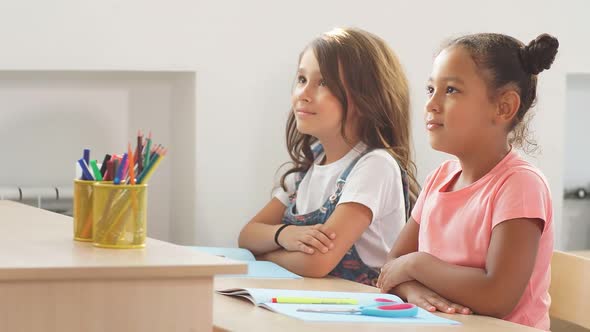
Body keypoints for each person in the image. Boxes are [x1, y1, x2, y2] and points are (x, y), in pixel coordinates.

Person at [377, 33, 558, 330]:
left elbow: (497, 296)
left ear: (503, 107)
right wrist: (412, 290)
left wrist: (416, 265)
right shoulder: (440, 178)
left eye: (450, 90)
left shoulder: (520, 184)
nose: (431, 104)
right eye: (430, 89)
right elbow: (390, 268)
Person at [238, 27, 419, 286]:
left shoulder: (375, 165)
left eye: (323, 83)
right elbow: (247, 235)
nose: (304, 93)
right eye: (301, 79)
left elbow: (316, 263)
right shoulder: (308, 169)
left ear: (365, 98)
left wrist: (265, 254)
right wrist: (284, 235)